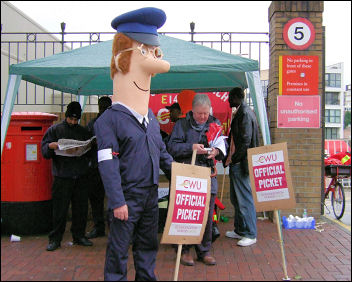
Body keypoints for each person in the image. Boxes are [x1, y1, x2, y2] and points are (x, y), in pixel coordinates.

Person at [94, 7, 173, 281]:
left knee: (147, 247)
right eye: (144, 50)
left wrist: (183, 176)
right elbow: (108, 164)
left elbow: (161, 152)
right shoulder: (108, 121)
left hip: (151, 195)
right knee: (118, 251)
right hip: (126, 198)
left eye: (154, 51)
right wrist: (117, 201)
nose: (152, 57)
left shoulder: (150, 117)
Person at [167, 93, 227, 266]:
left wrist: (217, 151)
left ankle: (204, 250)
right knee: (185, 212)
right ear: (192, 111)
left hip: (208, 174)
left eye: (205, 113)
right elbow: (171, 147)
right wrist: (190, 147)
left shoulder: (214, 123)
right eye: (199, 113)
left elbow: (224, 144)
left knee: (207, 215)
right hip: (187, 175)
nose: (203, 117)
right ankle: (184, 250)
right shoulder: (181, 125)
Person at [41, 101, 94, 251]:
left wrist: (87, 147)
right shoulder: (55, 130)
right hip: (62, 176)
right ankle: (55, 239)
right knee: (59, 210)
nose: (73, 122)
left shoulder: (83, 131)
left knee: (81, 209)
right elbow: (44, 151)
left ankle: (79, 236)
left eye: (76, 119)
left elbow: (90, 151)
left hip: (80, 176)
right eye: (70, 119)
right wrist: (51, 147)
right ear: (66, 117)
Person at [224, 87, 259, 247]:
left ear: (238, 97)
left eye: (231, 98)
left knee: (244, 199)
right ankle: (240, 229)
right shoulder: (241, 112)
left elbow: (245, 142)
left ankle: (251, 233)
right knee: (236, 198)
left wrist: (234, 159)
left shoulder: (244, 114)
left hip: (241, 163)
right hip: (238, 163)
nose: (228, 100)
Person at [86, 96, 112, 239]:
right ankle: (99, 227)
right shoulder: (92, 124)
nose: (102, 110)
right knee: (96, 199)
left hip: (111, 166)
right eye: (101, 107)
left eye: (105, 108)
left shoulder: (115, 122)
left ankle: (112, 227)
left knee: (114, 198)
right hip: (96, 166)